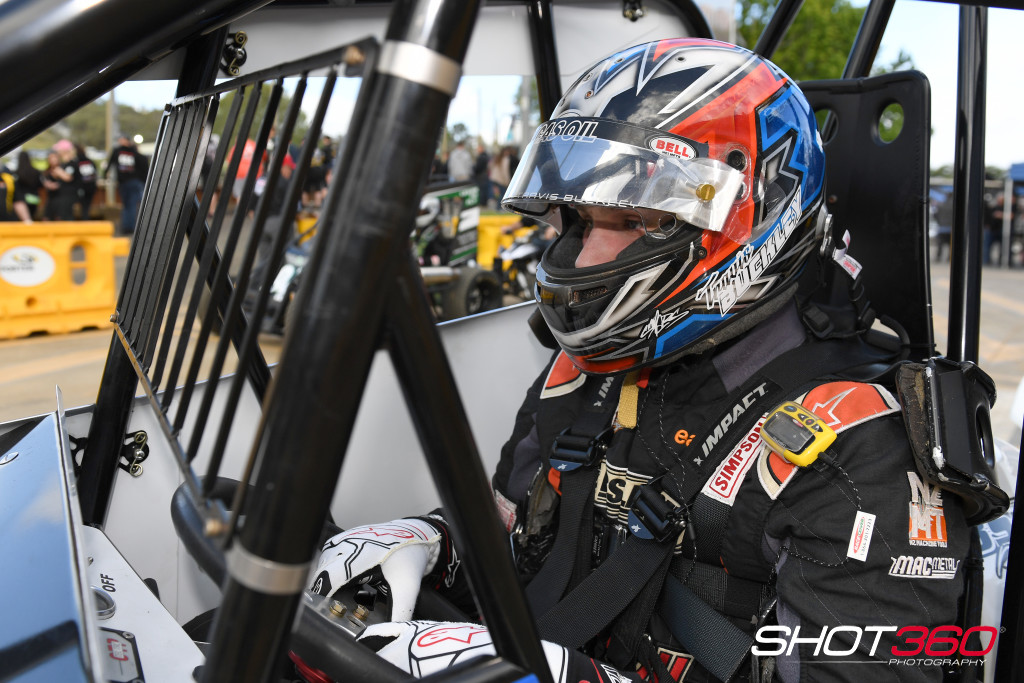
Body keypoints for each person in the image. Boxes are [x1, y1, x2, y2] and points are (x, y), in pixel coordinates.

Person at [308, 39, 989, 683]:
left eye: (632, 221)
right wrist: (437, 543)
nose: (584, 257)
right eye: (580, 219)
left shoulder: (859, 457)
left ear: (748, 224)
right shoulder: (586, 375)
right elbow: (521, 529)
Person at [103, 134, 149, 234]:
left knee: (128, 205)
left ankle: (128, 227)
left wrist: (105, 174)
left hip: (128, 182)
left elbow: (110, 163)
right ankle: (129, 227)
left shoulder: (118, 151)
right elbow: (144, 166)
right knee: (130, 205)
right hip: (131, 182)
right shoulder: (134, 152)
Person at [42, 143, 79, 221]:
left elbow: (68, 178)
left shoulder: (70, 164)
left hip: (66, 196)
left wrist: (59, 172)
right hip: (55, 197)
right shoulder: (60, 166)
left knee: (64, 216)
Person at [15, 150, 43, 220]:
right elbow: (41, 186)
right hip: (34, 199)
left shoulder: (17, 173)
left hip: (22, 200)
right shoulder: (36, 172)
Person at [74, 142, 98, 219]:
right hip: (91, 187)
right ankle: (86, 219)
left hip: (82, 188)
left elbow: (75, 176)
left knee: (83, 206)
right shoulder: (90, 161)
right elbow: (95, 174)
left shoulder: (76, 162)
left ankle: (85, 220)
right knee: (87, 207)